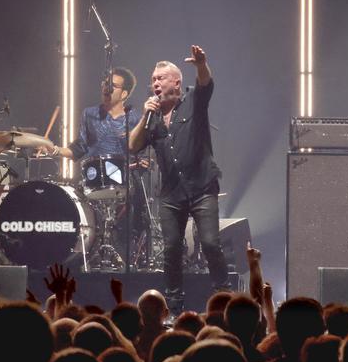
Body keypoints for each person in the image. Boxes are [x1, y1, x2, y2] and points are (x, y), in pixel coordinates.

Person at [128, 46, 229, 312]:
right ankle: (174, 306)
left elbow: (206, 83)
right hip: (172, 194)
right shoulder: (152, 118)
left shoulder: (194, 101)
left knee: (209, 243)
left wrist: (201, 65)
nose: (156, 83)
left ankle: (223, 298)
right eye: (153, 80)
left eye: (161, 78)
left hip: (202, 188)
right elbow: (133, 145)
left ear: (176, 82)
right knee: (171, 249)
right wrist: (144, 116)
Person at [46, 69, 150, 265]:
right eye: (104, 84)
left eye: (112, 85)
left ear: (125, 93)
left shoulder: (135, 118)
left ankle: (126, 258)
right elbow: (80, 146)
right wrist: (55, 150)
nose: (106, 88)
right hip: (93, 181)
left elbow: (143, 153)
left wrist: (142, 163)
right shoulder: (90, 114)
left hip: (124, 183)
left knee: (129, 222)